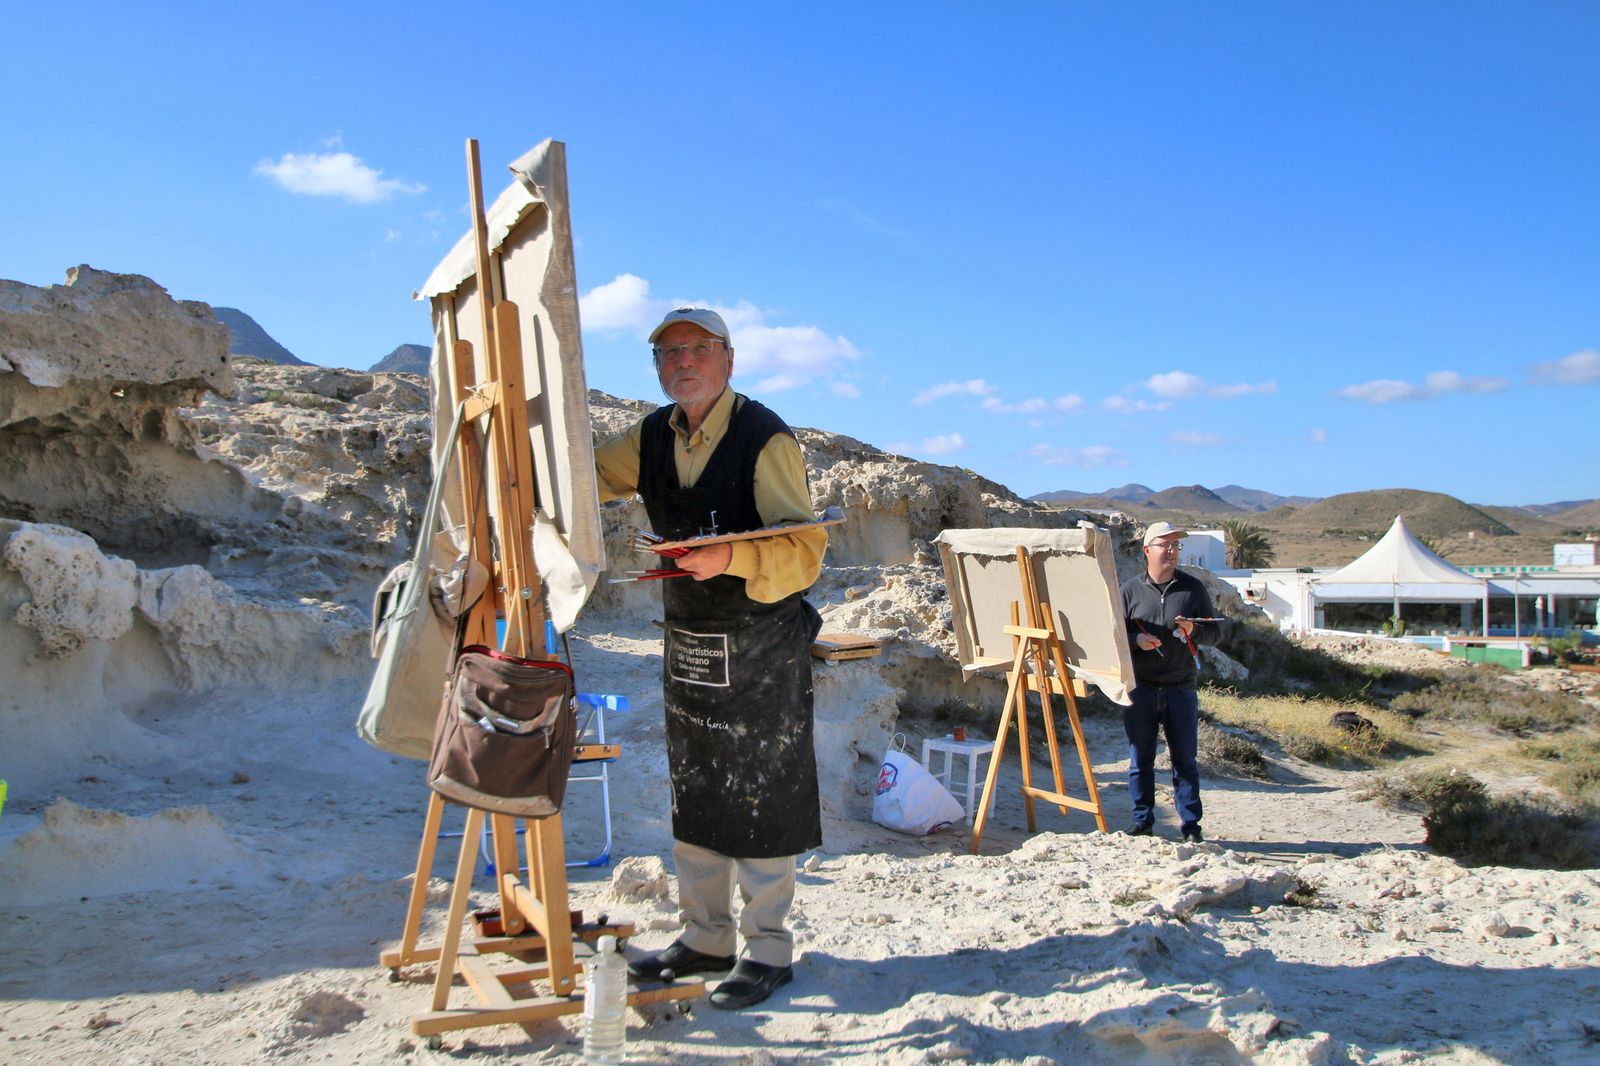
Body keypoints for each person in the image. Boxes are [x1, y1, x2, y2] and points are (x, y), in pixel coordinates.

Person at [594, 306, 827, 1010]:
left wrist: (728, 555)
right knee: (696, 788)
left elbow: (805, 549)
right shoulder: (648, 437)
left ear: (728, 358)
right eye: (667, 353)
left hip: (761, 643)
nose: (682, 363)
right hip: (691, 641)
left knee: (763, 790)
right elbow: (583, 476)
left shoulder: (765, 437)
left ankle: (767, 949)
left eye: (697, 350)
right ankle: (705, 938)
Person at [1119, 522, 1224, 843]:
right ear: (1147, 550)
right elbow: (1115, 636)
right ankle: (1142, 821)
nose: (1172, 552)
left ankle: (1191, 828)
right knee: (1140, 760)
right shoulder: (1129, 591)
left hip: (1181, 688)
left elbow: (1217, 634)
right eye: (1165, 545)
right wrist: (1137, 639)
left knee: (1184, 761)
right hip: (1141, 689)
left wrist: (1194, 631)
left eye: (1176, 546)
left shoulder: (1193, 589)